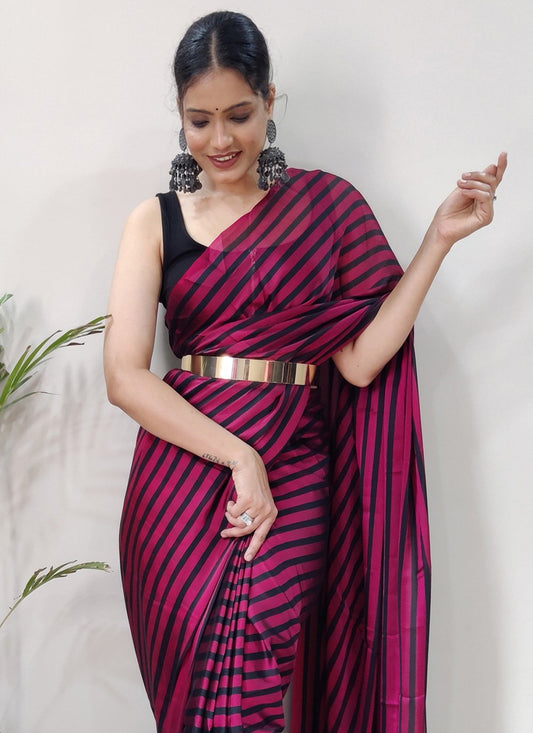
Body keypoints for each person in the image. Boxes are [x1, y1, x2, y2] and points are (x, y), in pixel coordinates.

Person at [103, 10, 506, 733]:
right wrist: (238, 456)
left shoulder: (328, 208)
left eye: (238, 115)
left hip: (294, 463)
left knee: (259, 668)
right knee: (193, 695)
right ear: (180, 115)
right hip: (181, 483)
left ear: (269, 100)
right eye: (199, 120)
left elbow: (359, 363)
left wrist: (438, 241)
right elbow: (125, 377)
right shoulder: (153, 222)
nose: (220, 140)